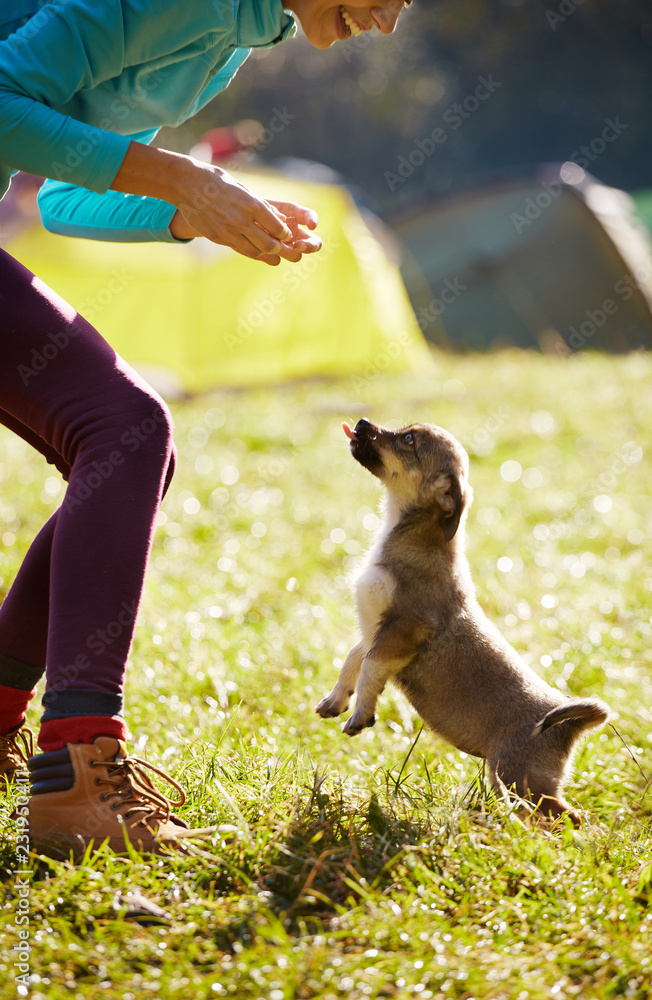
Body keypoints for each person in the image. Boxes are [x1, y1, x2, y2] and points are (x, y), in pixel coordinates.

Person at [0, 0, 412, 856]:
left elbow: (70, 197)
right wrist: (186, 181)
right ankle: (77, 772)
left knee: (126, 441)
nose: (385, 23)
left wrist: (194, 212)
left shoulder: (227, 37)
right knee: (125, 432)